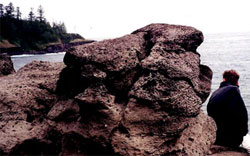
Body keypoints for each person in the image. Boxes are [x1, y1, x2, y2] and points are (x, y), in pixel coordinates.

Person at [207, 69, 248, 148]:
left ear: (224, 79)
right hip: (230, 140)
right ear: (237, 81)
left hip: (216, 137)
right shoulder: (233, 90)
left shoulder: (215, 92)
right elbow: (243, 114)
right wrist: (244, 132)